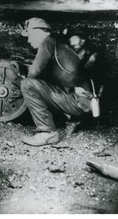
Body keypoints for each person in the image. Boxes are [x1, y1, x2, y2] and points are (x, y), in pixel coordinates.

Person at [20, 18, 93, 147]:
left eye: (30, 35)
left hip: (77, 102)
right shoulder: (57, 43)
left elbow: (33, 74)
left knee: (27, 84)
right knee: (37, 84)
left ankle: (47, 132)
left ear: (37, 33)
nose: (28, 40)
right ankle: (72, 121)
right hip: (82, 101)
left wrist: (21, 79)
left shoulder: (47, 43)